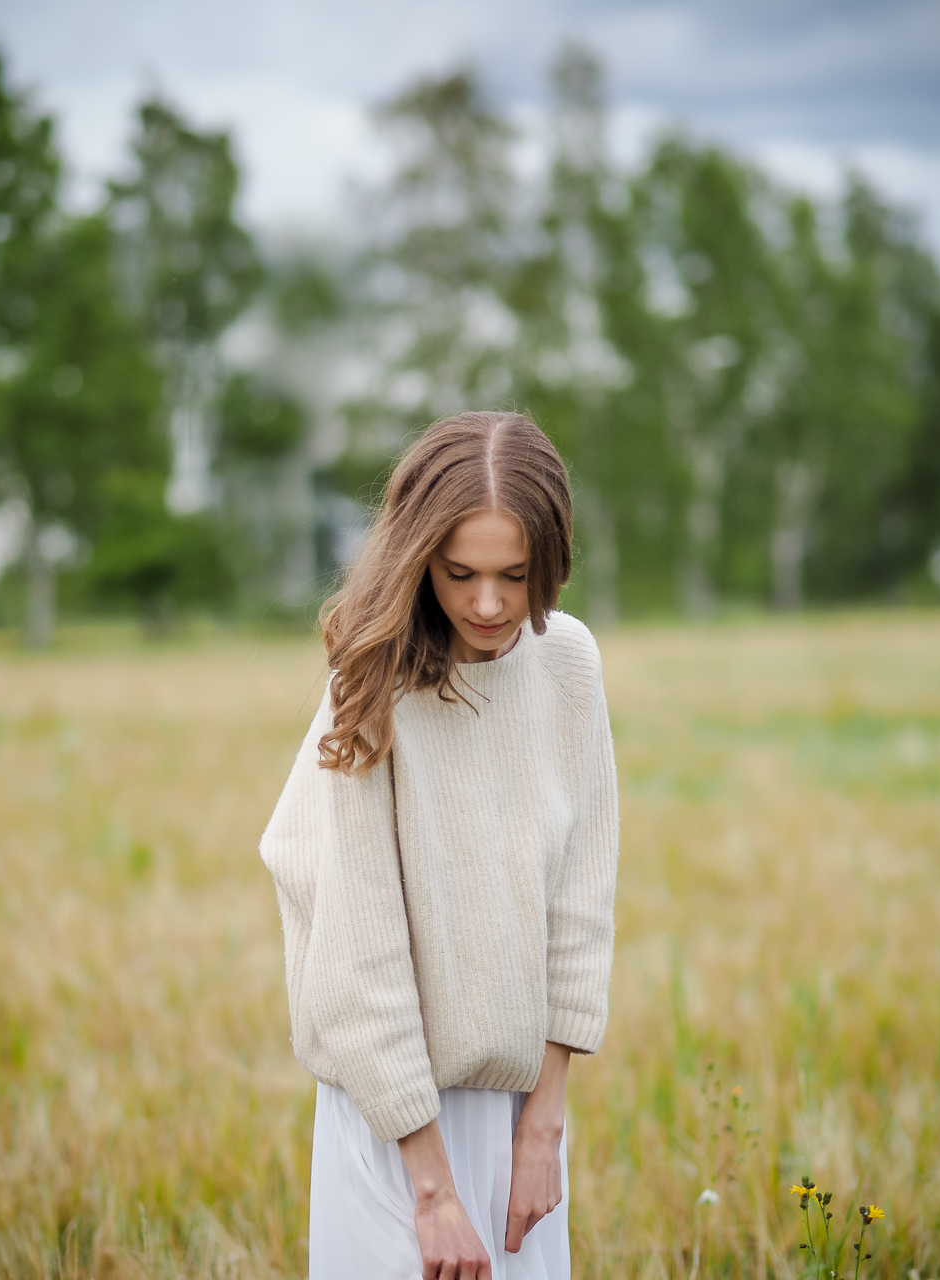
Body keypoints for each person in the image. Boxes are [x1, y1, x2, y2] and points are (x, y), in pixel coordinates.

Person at [260, 410, 619, 1280]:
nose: (489, 604)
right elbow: (359, 944)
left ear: (552, 563)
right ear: (420, 555)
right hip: (393, 1124)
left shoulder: (567, 661)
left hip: (520, 1114)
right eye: (460, 574)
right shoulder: (371, 680)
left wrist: (545, 1120)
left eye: (516, 575)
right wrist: (430, 1188)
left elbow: (579, 894)